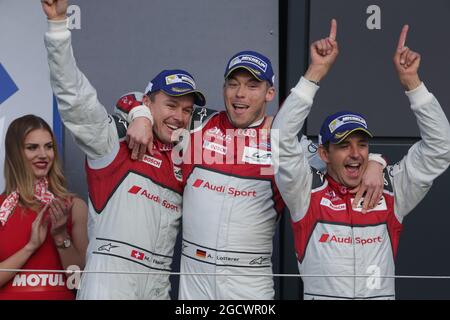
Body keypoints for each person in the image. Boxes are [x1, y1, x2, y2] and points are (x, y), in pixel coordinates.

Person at [125, 22, 387, 299]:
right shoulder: (196, 124)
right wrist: (140, 115)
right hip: (196, 288)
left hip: (249, 286)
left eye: (252, 86)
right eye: (233, 84)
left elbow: (338, 159)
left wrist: (376, 162)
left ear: (269, 93)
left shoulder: (287, 144)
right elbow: (129, 98)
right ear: (224, 88)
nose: (240, 94)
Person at [271, 21, 450, 299]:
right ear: (323, 154)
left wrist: (413, 84)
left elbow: (441, 147)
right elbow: (280, 140)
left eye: (363, 145)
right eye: (343, 146)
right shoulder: (305, 191)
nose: (355, 153)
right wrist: (316, 72)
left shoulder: (393, 190)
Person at [41, 0, 206, 299]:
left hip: (157, 283)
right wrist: (58, 27)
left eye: (186, 109)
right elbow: (73, 96)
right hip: (109, 281)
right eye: (170, 105)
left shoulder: (186, 159)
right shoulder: (111, 143)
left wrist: (136, 111)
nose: (179, 117)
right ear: (148, 102)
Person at [0, 115, 88, 300]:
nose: (43, 154)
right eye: (32, 147)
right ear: (15, 153)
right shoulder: (3, 209)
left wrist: (61, 237)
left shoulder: (74, 207)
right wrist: (30, 247)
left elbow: (78, 282)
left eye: (48, 146)